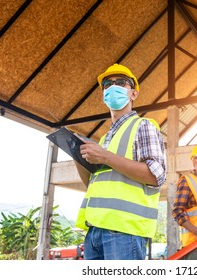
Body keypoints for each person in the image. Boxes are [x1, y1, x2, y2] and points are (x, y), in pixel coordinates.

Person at [74, 63, 167, 260]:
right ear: (103, 95)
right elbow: (93, 185)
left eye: (121, 83)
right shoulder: (104, 140)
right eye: (107, 84)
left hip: (124, 231)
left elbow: (156, 176)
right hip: (94, 231)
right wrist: (77, 156)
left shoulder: (143, 126)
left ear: (133, 94)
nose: (112, 87)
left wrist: (106, 156)